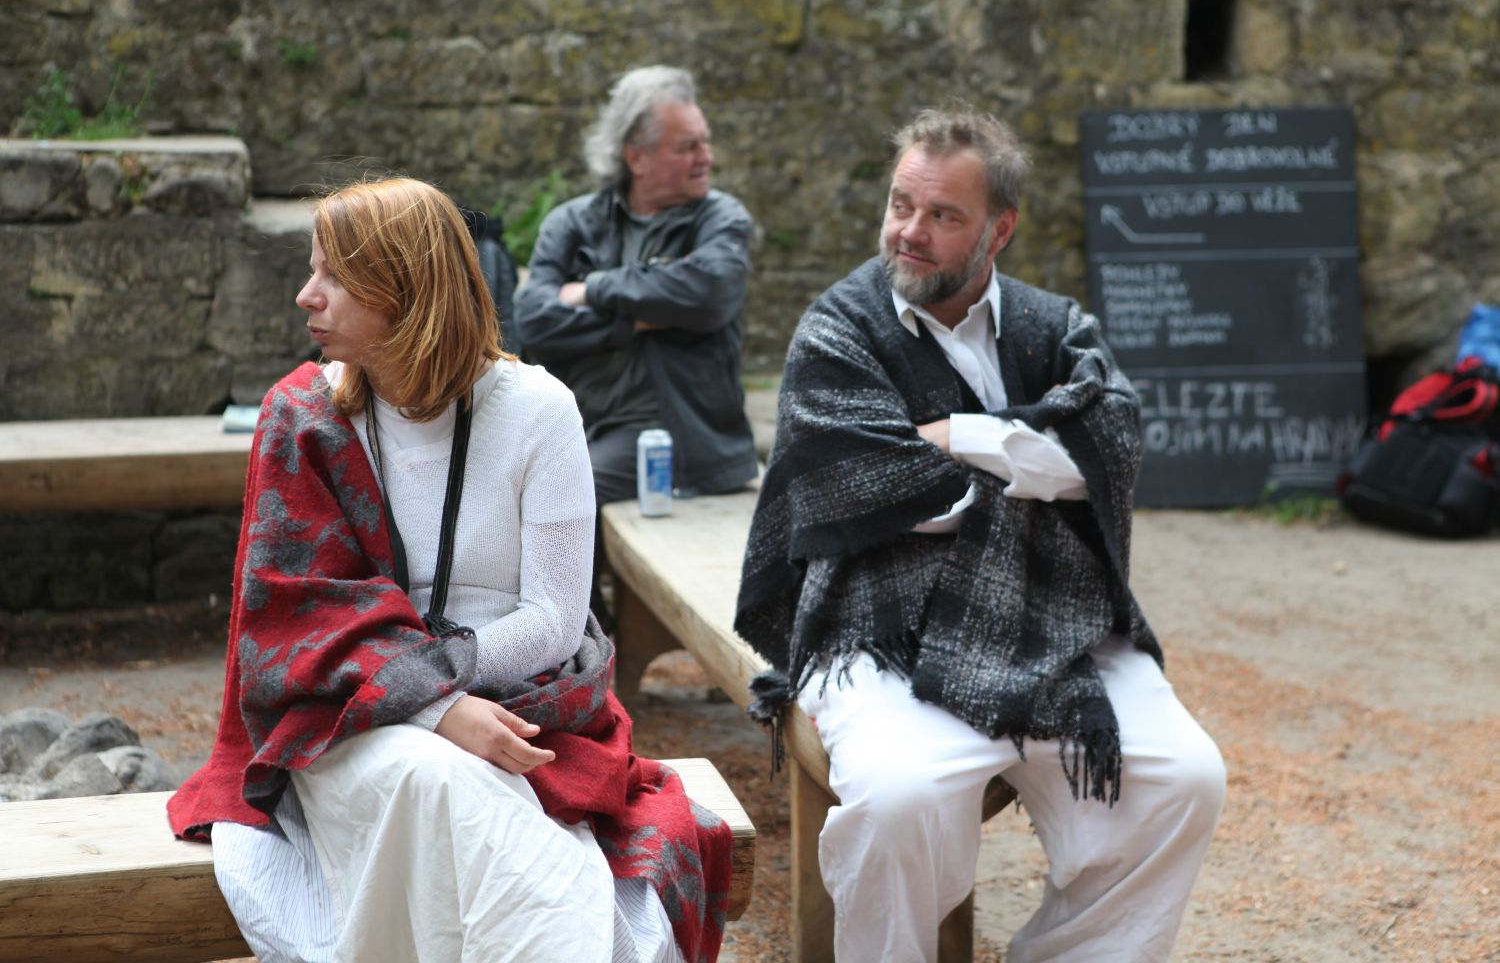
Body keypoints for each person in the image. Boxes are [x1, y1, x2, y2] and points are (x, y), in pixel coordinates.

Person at [167, 178, 731, 963]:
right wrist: (435, 708)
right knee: (436, 781)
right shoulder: (305, 417)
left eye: (333, 276)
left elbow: (555, 619)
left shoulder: (539, 409)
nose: (306, 295)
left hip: (530, 709)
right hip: (353, 721)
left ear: (404, 291)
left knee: (491, 818)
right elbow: (292, 627)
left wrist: (444, 686)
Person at [735, 109, 1226, 962]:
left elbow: (1113, 448)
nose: (909, 232)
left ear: (999, 230)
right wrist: (1036, 464)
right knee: (897, 798)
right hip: (879, 623)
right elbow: (875, 488)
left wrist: (960, 435)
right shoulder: (839, 329)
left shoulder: (1050, 325)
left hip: (1052, 613)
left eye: (943, 215)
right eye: (901, 205)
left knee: (1185, 778)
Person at [513, 65, 758, 507]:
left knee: (559, 491)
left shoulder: (721, 219)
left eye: (705, 142)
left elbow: (710, 292)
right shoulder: (571, 223)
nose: (706, 157)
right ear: (636, 158)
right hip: (578, 425)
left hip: (676, 436)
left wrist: (593, 288)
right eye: (687, 147)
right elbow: (533, 320)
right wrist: (633, 322)